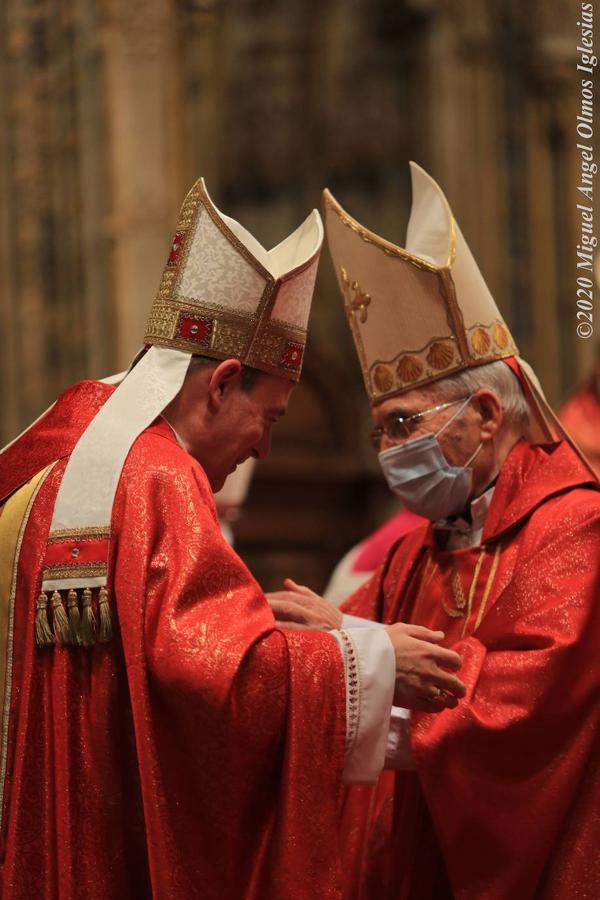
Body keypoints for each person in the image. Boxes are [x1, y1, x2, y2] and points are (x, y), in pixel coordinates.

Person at [0, 177, 466, 899]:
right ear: (220, 385)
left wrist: (270, 634)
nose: (265, 451)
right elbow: (213, 682)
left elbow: (147, 661)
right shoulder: (157, 476)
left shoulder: (57, 442)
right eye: (271, 418)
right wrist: (369, 656)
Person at [269, 163, 600, 899]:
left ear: (485, 414)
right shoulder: (418, 552)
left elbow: (519, 715)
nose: (389, 452)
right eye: (379, 431)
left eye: (403, 424)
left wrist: (354, 650)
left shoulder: (578, 528)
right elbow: (330, 651)